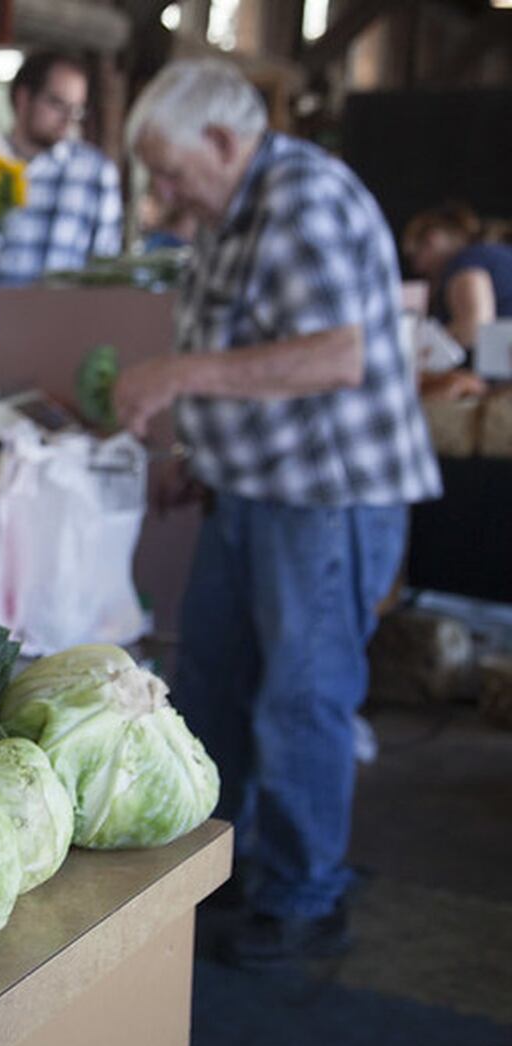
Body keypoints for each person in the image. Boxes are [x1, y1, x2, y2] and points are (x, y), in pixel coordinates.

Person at [114, 59, 441, 968]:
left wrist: (175, 380)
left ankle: (302, 899)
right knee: (214, 685)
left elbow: (335, 355)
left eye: (171, 168)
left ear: (225, 140)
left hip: (325, 498)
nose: (163, 191)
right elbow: (245, 350)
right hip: (252, 489)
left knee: (301, 698)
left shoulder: (302, 197)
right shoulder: (228, 209)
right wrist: (197, 454)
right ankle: (230, 875)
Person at [0, 51, 122, 295]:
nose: (67, 119)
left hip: (62, 325)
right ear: (23, 97)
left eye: (76, 110)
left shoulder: (95, 174)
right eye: (57, 104)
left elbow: (106, 271)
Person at [403, 203, 512, 353]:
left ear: (431, 240)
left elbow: (474, 329)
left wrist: (421, 352)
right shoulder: (490, 254)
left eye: (414, 256)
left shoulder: (467, 260)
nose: (417, 269)